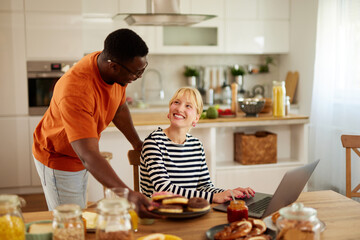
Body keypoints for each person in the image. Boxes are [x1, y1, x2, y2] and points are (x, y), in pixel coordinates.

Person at [32, 28, 156, 218]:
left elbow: (119, 108)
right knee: (70, 222)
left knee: (81, 213)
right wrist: (128, 194)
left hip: (80, 153)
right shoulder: (76, 90)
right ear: (114, 66)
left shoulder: (110, 68)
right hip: (59, 157)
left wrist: (136, 142)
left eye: (143, 69)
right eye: (136, 73)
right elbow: (88, 155)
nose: (138, 77)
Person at [140, 87, 255, 203]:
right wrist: (214, 197)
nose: (180, 108)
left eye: (188, 106)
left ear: (196, 118)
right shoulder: (153, 143)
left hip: (189, 211)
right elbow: (164, 189)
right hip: (158, 215)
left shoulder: (196, 146)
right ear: (169, 111)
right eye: (176, 102)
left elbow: (204, 187)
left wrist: (229, 194)